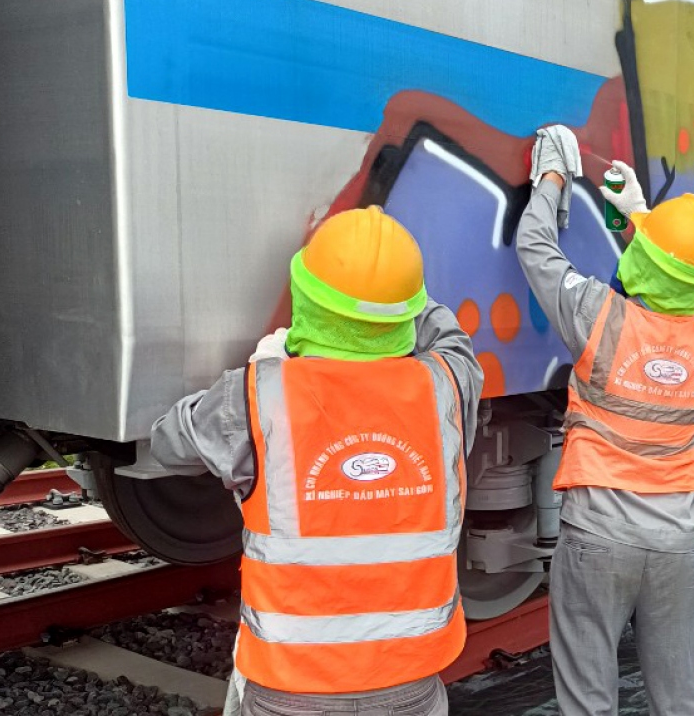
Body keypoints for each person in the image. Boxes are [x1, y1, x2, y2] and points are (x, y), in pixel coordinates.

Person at [148, 206, 484, 716]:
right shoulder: (448, 388)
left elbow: (167, 443)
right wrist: (390, 281)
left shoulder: (257, 396)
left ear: (305, 296)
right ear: (405, 312)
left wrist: (263, 368)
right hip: (409, 685)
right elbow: (448, 333)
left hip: (290, 689)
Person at [517, 125, 694, 716]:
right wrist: (640, 211)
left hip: (598, 539)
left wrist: (553, 178)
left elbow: (536, 248)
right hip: (678, 546)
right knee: (681, 701)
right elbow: (688, 279)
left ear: (642, 259)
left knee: (588, 700)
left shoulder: (596, 316)